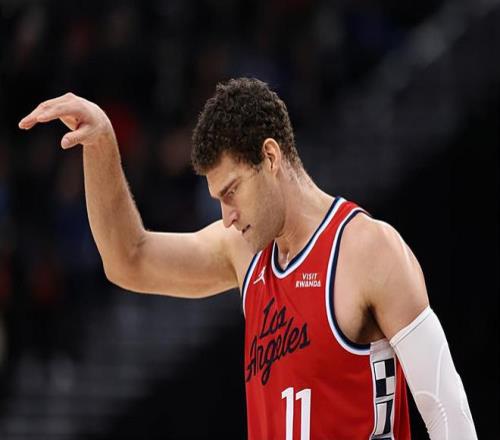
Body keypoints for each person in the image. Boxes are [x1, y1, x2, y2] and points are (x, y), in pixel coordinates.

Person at [19, 78, 477, 439]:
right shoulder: (245, 254)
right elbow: (129, 260)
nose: (227, 216)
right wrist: (101, 145)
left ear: (270, 157)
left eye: (232, 191)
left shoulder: (368, 249)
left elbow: (446, 411)